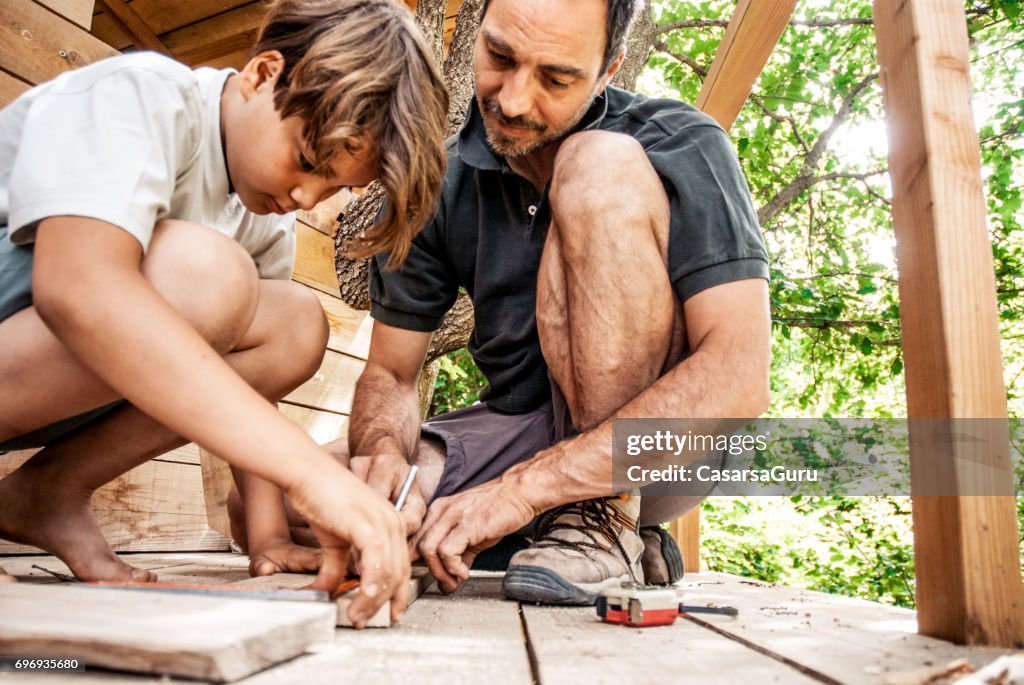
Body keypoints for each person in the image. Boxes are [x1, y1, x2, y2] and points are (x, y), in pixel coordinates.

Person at [0, 0, 448, 626]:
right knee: (206, 274)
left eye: (335, 189)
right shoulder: (145, 93)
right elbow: (78, 287)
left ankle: (48, 492)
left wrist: (266, 536)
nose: (304, 197)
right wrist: (311, 476)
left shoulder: (259, 214)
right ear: (263, 74)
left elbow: (239, 381)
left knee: (294, 324)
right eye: (308, 162)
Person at [338, 0, 770, 604]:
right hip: (519, 429)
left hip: (659, 446)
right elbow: (390, 371)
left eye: (556, 78)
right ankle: (537, 534)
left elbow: (739, 375)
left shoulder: (681, 141)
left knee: (594, 160)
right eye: (499, 56)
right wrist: (386, 461)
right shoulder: (439, 177)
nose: (513, 101)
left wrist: (519, 490)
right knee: (311, 501)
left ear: (608, 68)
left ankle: (608, 516)